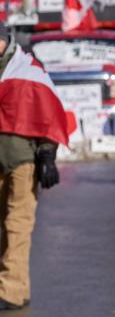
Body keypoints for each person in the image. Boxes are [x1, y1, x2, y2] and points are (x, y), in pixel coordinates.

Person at [0, 23, 67, 309]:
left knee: (17, 226)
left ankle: (10, 292)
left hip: (22, 162)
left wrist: (47, 157)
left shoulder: (29, 72)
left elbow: (48, 115)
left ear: (6, 40)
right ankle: (19, 287)